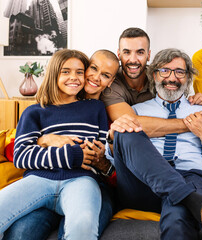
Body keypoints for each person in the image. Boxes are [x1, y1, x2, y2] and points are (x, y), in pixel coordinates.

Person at [106, 48, 202, 240]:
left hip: (189, 175)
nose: (172, 78)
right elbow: (112, 160)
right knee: (125, 129)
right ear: (154, 75)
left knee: (177, 220)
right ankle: (195, 202)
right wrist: (112, 139)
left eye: (179, 72)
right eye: (165, 71)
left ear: (188, 78)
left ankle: (187, 199)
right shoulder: (136, 111)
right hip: (142, 184)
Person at [2, 49, 120, 240]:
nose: (73, 77)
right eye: (66, 71)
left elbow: (96, 153)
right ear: (54, 73)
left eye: (79, 72)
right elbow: (21, 156)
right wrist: (69, 155)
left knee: (82, 224)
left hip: (81, 180)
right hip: (39, 179)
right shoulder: (34, 112)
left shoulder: (96, 109)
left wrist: (102, 156)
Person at [101, 27, 202, 137]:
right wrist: (194, 123)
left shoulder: (159, 76)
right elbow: (131, 124)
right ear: (119, 55)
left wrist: (195, 98)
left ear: (148, 55)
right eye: (127, 52)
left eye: (140, 52)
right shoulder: (110, 82)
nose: (133, 59)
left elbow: (177, 96)